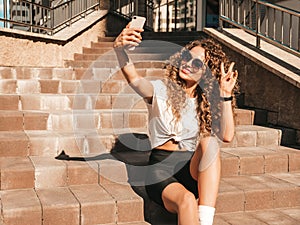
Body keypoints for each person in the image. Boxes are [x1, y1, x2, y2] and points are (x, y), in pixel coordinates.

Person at [113, 23, 238, 225]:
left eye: (197, 64)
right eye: (186, 57)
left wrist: (225, 95)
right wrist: (120, 50)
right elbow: (134, 79)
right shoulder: (160, 90)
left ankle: (206, 220)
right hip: (160, 170)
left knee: (210, 143)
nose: (188, 64)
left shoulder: (205, 102)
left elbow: (227, 136)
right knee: (187, 200)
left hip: (190, 168)